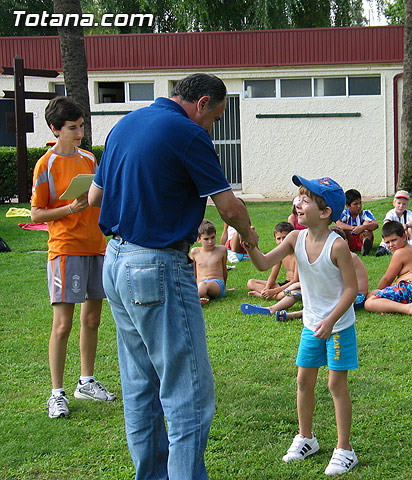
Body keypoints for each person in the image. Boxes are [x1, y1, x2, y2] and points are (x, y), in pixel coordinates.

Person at [88, 73, 258, 479]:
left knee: (140, 387)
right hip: (157, 266)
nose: (212, 127)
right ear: (202, 103)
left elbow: (94, 197)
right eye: (215, 118)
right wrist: (249, 236)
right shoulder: (189, 134)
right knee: (189, 393)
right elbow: (229, 209)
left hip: (115, 262)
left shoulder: (124, 125)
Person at [243, 175, 359, 476]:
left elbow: (352, 289)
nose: (298, 202)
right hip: (311, 325)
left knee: (335, 385)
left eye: (306, 200)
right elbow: (263, 263)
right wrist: (251, 245)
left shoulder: (337, 246)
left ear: (325, 212)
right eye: (299, 197)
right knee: (303, 381)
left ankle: (345, 449)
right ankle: (307, 438)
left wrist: (330, 320)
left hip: (338, 327)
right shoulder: (295, 238)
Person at [31, 96, 115, 419]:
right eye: (72, 128)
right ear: (55, 129)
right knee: (63, 324)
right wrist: (69, 208)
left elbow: (101, 197)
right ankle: (57, 394)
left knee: (92, 320)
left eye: (81, 126)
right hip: (65, 250)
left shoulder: (90, 159)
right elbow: (36, 213)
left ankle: (86, 382)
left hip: (96, 246)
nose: (79, 133)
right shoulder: (45, 165)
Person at [365, 221, 412, 318]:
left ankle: (407, 308)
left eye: (394, 240)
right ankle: (391, 307)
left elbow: (387, 279)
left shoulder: (400, 253)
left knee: (369, 302)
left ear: (404, 237)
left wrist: (378, 292)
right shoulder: (410, 248)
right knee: (374, 296)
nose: (391, 245)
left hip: (411, 290)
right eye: (387, 242)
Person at [247, 221, 298, 299]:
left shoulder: (297, 254)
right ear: (275, 240)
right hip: (285, 284)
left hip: (296, 285)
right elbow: (273, 275)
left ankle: (263, 295)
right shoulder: (280, 253)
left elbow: (295, 280)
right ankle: (267, 294)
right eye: (279, 238)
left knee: (290, 293)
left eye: (285, 238)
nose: (282, 241)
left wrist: (274, 291)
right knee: (251, 282)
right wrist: (267, 288)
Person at [190, 219, 228, 305]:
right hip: (200, 285)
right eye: (206, 239)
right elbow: (193, 273)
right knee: (204, 291)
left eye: (213, 237)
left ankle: (190, 301)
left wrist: (225, 287)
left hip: (217, 285)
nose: (210, 242)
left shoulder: (222, 250)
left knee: (204, 285)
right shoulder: (195, 252)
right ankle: (202, 300)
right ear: (199, 239)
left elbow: (224, 270)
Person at [375, 190, 412, 256]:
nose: (401, 206)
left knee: (411, 226)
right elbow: (386, 224)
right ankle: (382, 246)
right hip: (393, 234)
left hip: (405, 236)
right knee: (387, 230)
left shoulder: (409, 213)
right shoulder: (391, 213)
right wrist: (397, 229)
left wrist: (406, 225)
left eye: (404, 204)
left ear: (407, 205)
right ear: (394, 203)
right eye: (399, 203)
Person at [336, 188, 378, 256]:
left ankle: (365, 245)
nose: (359, 206)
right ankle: (344, 247)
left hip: (362, 237)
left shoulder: (365, 212)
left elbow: (375, 224)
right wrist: (353, 228)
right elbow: (337, 224)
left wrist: (363, 227)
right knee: (342, 230)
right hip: (350, 239)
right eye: (355, 204)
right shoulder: (344, 213)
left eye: (360, 203)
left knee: (367, 224)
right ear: (348, 206)